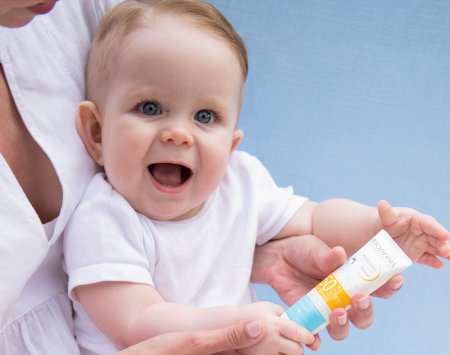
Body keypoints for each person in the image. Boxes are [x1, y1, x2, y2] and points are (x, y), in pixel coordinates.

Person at [0, 0, 398, 353]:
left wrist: (379, 227)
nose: (179, 133)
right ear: (97, 133)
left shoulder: (238, 182)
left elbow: (314, 217)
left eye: (205, 116)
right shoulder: (103, 219)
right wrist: (239, 325)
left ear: (230, 145)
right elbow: (136, 323)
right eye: (150, 107)